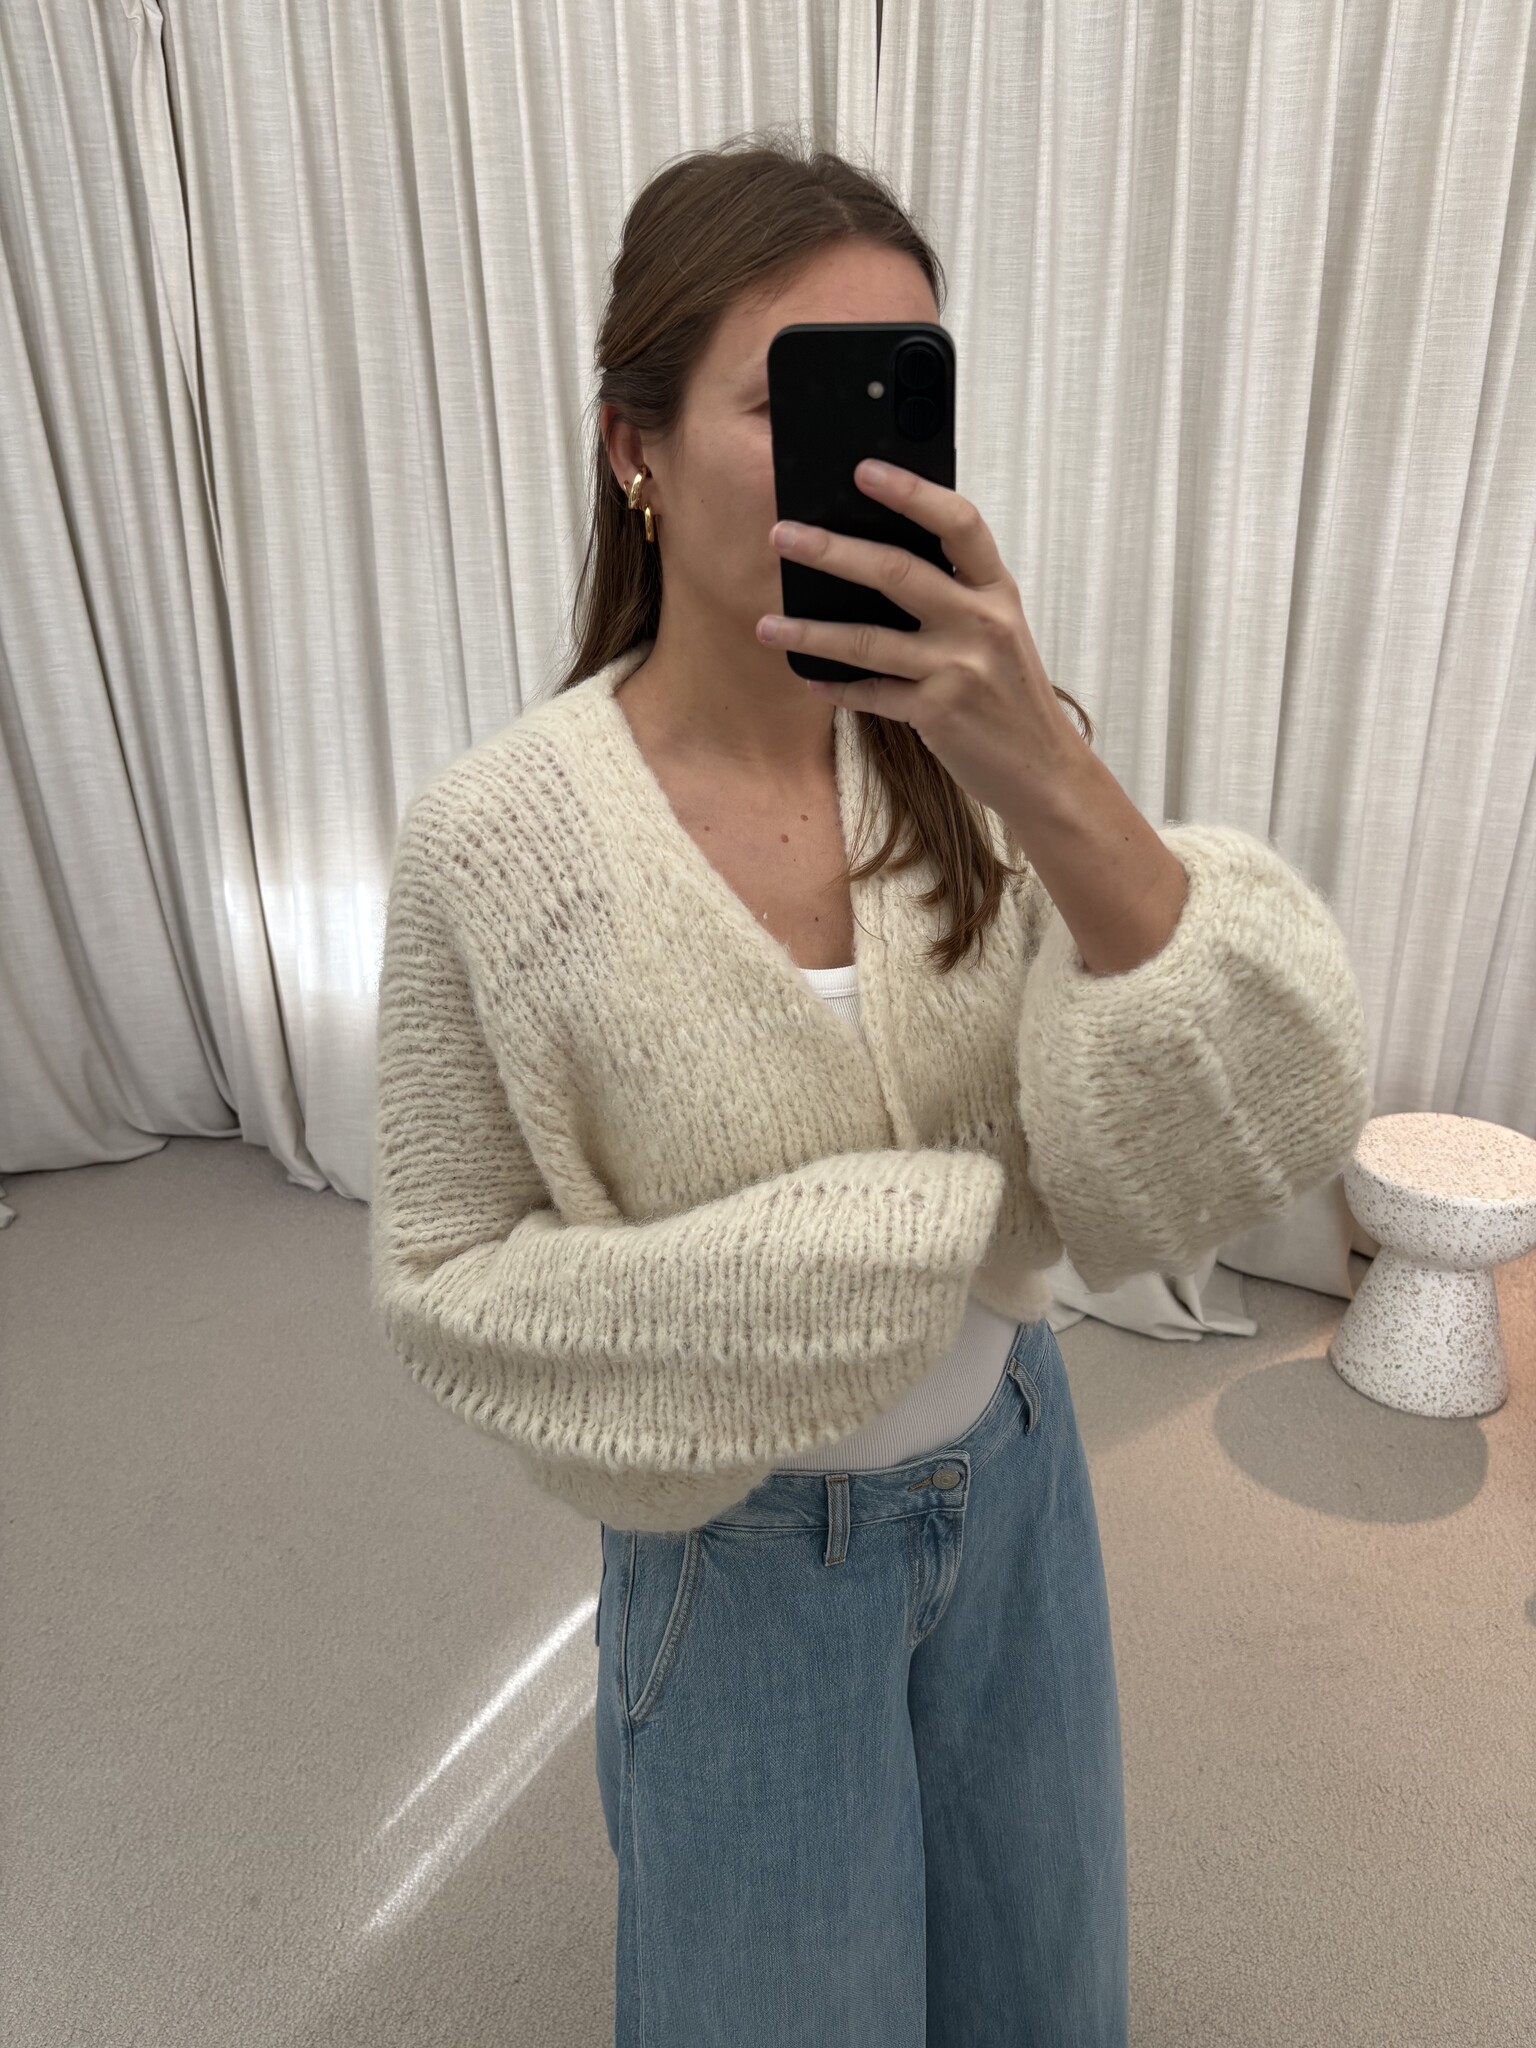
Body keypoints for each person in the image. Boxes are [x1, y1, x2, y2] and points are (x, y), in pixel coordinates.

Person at [370, 128, 1371, 2048]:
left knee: (1043, 1997)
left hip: (1021, 1495)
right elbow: (448, 1276)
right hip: (735, 1567)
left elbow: (1240, 1127)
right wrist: (877, 1249)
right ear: (633, 448)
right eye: (789, 399)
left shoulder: (974, 767)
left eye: (906, 392)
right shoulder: (498, 843)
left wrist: (1047, 766)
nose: (873, 459)